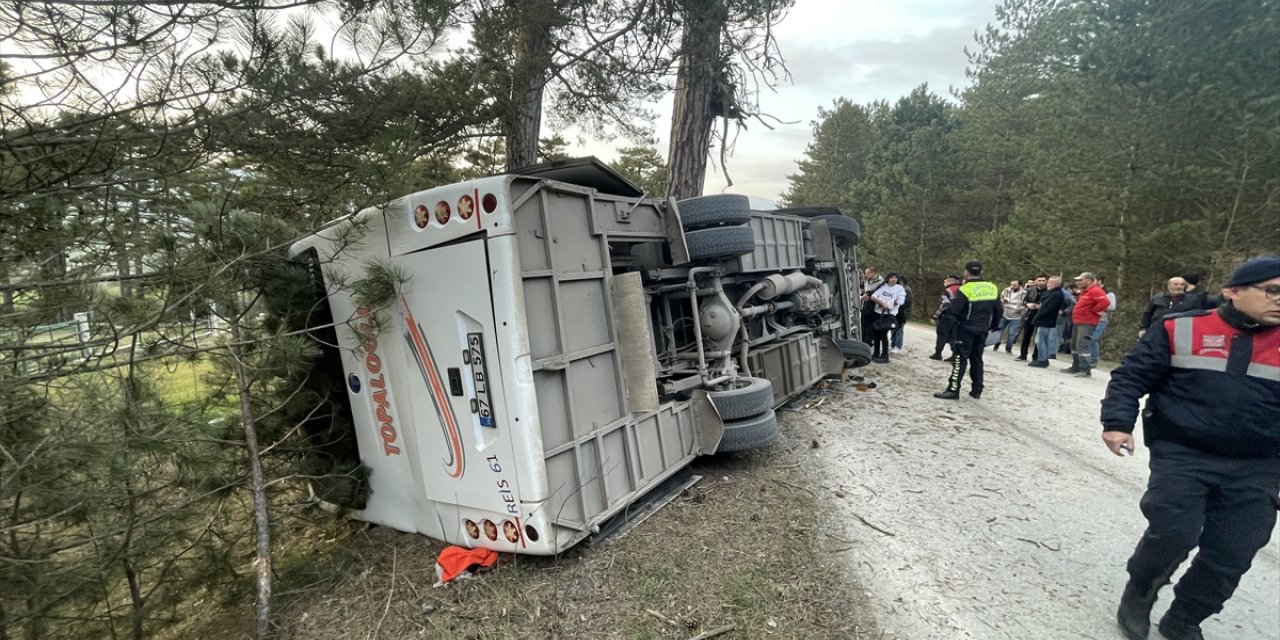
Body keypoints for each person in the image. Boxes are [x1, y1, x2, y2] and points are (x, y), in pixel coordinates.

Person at [1101, 255, 1280, 640]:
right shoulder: (1181, 328)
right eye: (1272, 291)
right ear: (1233, 291)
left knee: (1232, 553)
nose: (1279, 300)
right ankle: (1140, 593)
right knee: (1174, 531)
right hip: (1184, 452)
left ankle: (1184, 618)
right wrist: (1117, 423)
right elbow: (1130, 377)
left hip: (1259, 465)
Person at [934, 261, 1000, 399]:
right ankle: (977, 389)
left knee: (959, 359)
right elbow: (999, 309)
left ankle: (953, 389)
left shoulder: (964, 289)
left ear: (966, 272)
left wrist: (951, 327)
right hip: (983, 329)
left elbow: (954, 310)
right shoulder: (992, 288)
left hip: (965, 329)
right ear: (981, 272)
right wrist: (994, 326)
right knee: (977, 359)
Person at [1064, 272, 1109, 377]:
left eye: (1080, 280)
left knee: (1082, 345)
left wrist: (1094, 310)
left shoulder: (1096, 290)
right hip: (1078, 321)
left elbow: (1105, 303)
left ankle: (1085, 370)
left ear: (1088, 280)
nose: (1077, 282)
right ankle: (1076, 366)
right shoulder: (1085, 291)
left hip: (1087, 322)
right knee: (1074, 344)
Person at [1026, 276, 1064, 368]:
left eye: (1049, 282)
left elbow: (1048, 309)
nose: (1047, 284)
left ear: (1055, 284)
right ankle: (1043, 359)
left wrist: (1039, 316)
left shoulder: (1056, 295)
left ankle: (1042, 360)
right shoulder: (1052, 293)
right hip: (1045, 320)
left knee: (1040, 340)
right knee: (1041, 340)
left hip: (1046, 320)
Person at [867, 273, 906, 363]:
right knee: (875, 334)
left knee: (883, 334)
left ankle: (885, 355)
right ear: (888, 278)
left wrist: (890, 303)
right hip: (878, 312)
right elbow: (874, 296)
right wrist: (881, 302)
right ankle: (876, 353)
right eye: (892, 277)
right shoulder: (883, 286)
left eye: (895, 277)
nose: (894, 279)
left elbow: (901, 301)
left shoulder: (899, 289)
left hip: (889, 314)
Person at [1016, 274, 1048, 361]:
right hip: (1030, 314)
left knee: (1039, 337)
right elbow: (1024, 301)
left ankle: (1036, 356)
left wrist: (1042, 307)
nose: (1041, 282)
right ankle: (1023, 354)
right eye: (1039, 280)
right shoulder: (1030, 290)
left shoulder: (1049, 292)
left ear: (1046, 281)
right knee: (1026, 335)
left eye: (1043, 280)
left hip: (1042, 316)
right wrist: (1027, 304)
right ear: (1036, 281)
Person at [929, 274, 961, 360]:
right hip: (959, 318)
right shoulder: (963, 290)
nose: (944, 282)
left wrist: (934, 316)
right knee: (954, 336)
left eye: (946, 281)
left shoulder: (947, 291)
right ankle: (955, 354)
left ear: (951, 281)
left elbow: (944, 305)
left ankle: (938, 353)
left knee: (942, 335)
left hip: (947, 316)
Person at [1089, 275, 1116, 366]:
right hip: (1090, 318)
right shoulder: (1090, 291)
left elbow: (1112, 306)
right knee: (1088, 338)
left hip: (1101, 318)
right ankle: (1088, 358)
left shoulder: (1108, 293)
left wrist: (1097, 306)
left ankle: (1094, 358)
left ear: (1100, 281)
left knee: (1094, 338)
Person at [996, 279, 1027, 353]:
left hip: (1016, 316)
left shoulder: (1024, 293)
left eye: (1015, 285)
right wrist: (1003, 301)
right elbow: (1000, 299)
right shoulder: (1006, 290)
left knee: (1012, 332)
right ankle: (997, 342)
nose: (1012, 286)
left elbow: (1025, 304)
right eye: (1011, 285)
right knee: (999, 329)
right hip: (1005, 314)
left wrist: (1017, 308)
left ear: (1019, 285)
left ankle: (1009, 347)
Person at [859, 267, 885, 342]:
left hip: (875, 306)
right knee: (863, 324)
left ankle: (869, 341)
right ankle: (863, 340)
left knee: (871, 326)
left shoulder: (881, 282)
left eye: (867, 273)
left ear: (873, 273)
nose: (866, 275)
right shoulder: (866, 281)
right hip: (865, 305)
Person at [891, 276, 913, 354]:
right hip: (896, 312)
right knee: (893, 328)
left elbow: (907, 301)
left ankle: (898, 346)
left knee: (899, 329)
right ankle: (893, 344)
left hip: (902, 312)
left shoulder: (906, 290)